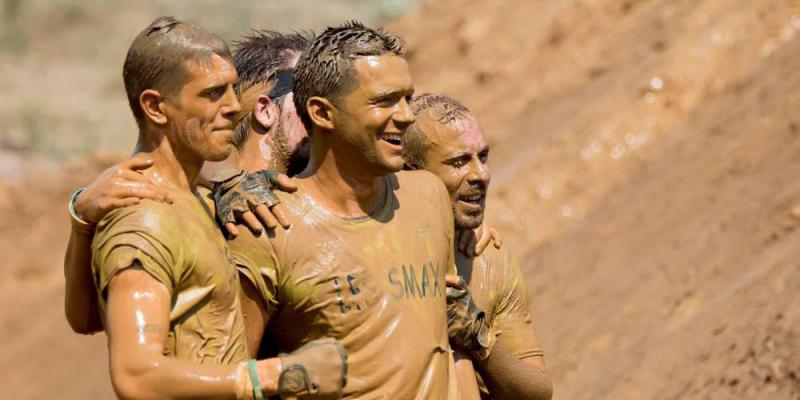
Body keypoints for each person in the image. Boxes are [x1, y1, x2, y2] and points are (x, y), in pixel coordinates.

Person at [72, 16, 346, 399]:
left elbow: (85, 318)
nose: (235, 107)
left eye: (234, 89)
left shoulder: (198, 198)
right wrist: (275, 374)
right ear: (155, 107)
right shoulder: (146, 218)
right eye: (214, 93)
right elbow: (135, 375)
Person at [227, 21, 490, 399]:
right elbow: (231, 375)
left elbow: (449, 347)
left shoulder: (428, 197)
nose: (406, 116)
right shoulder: (259, 223)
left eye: (406, 98)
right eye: (385, 101)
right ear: (321, 112)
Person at [404, 94, 554, 399]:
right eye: (459, 162)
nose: (481, 175)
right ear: (410, 172)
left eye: (482, 157)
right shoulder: (372, 247)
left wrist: (478, 337)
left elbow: (538, 392)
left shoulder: (486, 258)